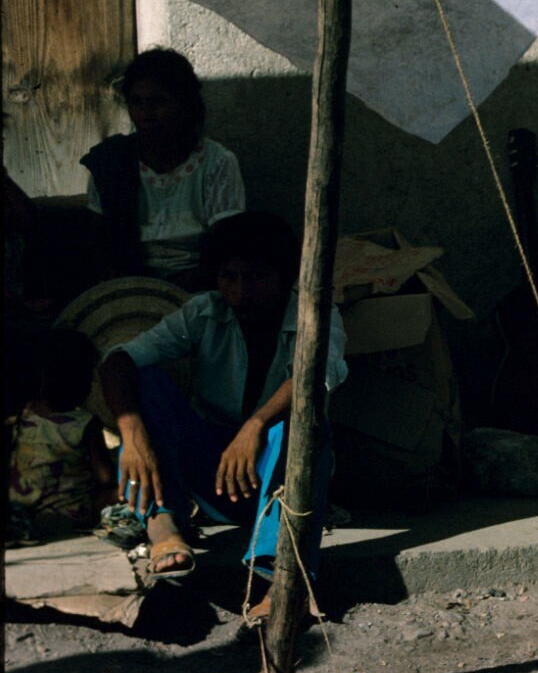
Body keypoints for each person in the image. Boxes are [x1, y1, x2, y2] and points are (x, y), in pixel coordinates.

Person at [98, 212, 344, 600]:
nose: (242, 291)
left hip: (278, 480)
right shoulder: (204, 312)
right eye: (230, 277)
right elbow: (119, 360)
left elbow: (316, 377)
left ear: (285, 277)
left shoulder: (316, 315)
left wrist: (255, 426)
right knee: (147, 381)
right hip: (213, 474)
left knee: (303, 421)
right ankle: (164, 525)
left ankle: (275, 572)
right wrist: (132, 435)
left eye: (257, 277)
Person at [82, 48, 246, 288]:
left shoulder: (217, 162)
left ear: (184, 105)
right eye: (136, 102)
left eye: (157, 102)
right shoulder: (112, 160)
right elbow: (97, 244)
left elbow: (225, 249)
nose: (145, 114)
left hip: (196, 285)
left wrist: (176, 289)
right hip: (131, 284)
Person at [8, 329, 113, 543]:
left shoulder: (21, 416)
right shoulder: (85, 423)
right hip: (70, 518)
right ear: (80, 380)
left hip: (22, 516)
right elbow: (105, 477)